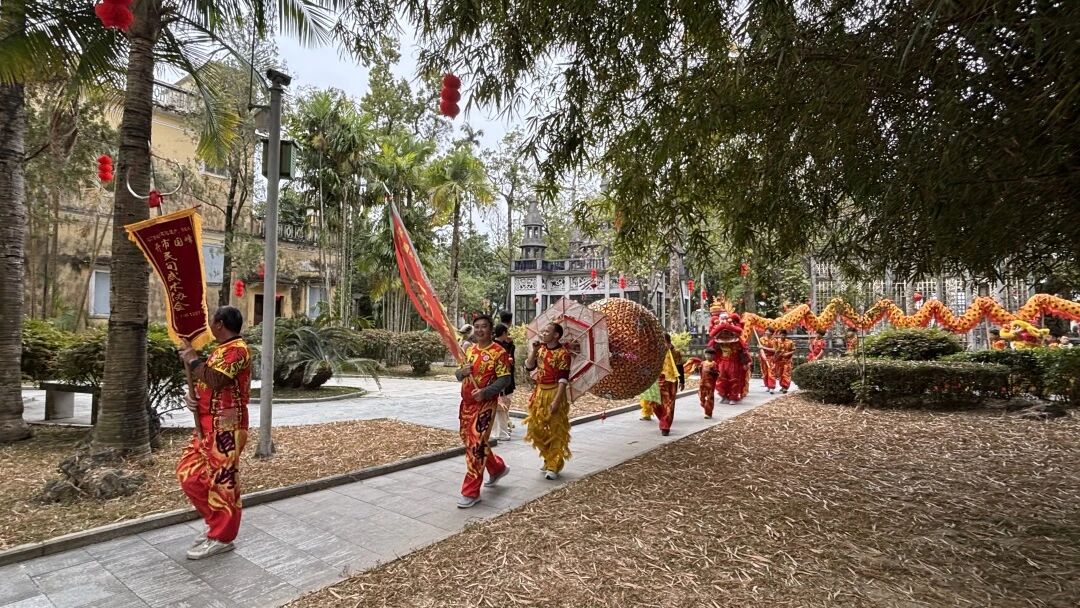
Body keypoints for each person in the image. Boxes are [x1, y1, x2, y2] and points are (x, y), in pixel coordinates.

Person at [176, 306, 251, 560]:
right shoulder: (220, 350)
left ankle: (222, 537)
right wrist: (193, 398)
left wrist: (193, 359)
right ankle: (214, 524)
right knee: (189, 474)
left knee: (223, 484)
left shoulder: (238, 350)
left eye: (211, 321)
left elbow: (217, 379)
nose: (209, 325)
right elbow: (206, 384)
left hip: (227, 428)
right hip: (207, 426)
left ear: (219, 324)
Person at [454, 315, 512, 508]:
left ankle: (470, 492)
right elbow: (458, 374)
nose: (479, 330)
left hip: (485, 406)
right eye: (477, 327)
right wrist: (462, 372)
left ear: (491, 330)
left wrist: (485, 392)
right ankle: (497, 468)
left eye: (484, 327)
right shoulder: (469, 350)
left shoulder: (499, 352)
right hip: (466, 404)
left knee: (475, 445)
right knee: (471, 441)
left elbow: (505, 379)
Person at [523, 322, 573, 479]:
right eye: (543, 330)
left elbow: (563, 380)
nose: (543, 333)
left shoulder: (563, 354)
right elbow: (529, 367)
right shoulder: (541, 349)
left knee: (555, 429)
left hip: (554, 392)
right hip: (539, 392)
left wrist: (557, 401)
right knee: (536, 428)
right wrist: (534, 350)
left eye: (547, 331)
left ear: (556, 335)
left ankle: (553, 465)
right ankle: (547, 456)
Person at [713, 318, 750, 405]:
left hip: (734, 363)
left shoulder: (737, 342)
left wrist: (745, 363)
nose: (725, 334)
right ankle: (723, 396)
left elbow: (743, 353)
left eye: (727, 332)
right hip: (722, 363)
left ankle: (733, 397)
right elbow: (714, 352)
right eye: (724, 333)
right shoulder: (718, 342)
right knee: (721, 379)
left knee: (734, 380)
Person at [652, 334, 680, 436]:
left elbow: (679, 365)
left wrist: (682, 381)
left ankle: (665, 426)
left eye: (664, 341)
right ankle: (663, 420)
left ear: (668, 342)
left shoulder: (674, 352)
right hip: (656, 380)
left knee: (668, 404)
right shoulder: (654, 352)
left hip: (671, 380)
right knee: (654, 403)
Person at [492, 323, 516, 441]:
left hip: (505, 379)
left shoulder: (503, 345)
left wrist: (510, 344)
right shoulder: (497, 347)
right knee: (501, 407)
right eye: (507, 332)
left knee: (502, 407)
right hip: (501, 380)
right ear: (503, 333)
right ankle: (500, 432)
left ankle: (500, 431)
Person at [771, 329, 795, 393]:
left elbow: (793, 350)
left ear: (786, 335)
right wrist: (777, 352)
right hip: (779, 360)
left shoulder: (790, 342)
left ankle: (785, 387)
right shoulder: (776, 341)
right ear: (779, 335)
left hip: (787, 361)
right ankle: (782, 386)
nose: (782, 336)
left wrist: (788, 353)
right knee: (780, 374)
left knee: (786, 373)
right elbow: (774, 350)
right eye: (781, 335)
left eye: (784, 335)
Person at [698, 348, 719, 418]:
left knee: (710, 398)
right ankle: (706, 406)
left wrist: (711, 372)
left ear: (713, 356)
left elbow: (717, 373)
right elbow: (700, 371)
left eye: (709, 355)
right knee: (701, 397)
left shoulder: (714, 364)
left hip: (710, 384)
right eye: (706, 354)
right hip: (702, 383)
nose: (707, 356)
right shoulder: (703, 363)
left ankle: (708, 413)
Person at [758, 328, 777, 394]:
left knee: (771, 372)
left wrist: (764, 347)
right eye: (765, 331)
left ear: (771, 333)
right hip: (763, 358)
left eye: (768, 331)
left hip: (771, 358)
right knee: (765, 372)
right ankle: (768, 386)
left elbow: (774, 350)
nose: (766, 332)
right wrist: (763, 355)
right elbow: (760, 348)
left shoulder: (774, 340)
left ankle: (772, 387)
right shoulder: (761, 339)